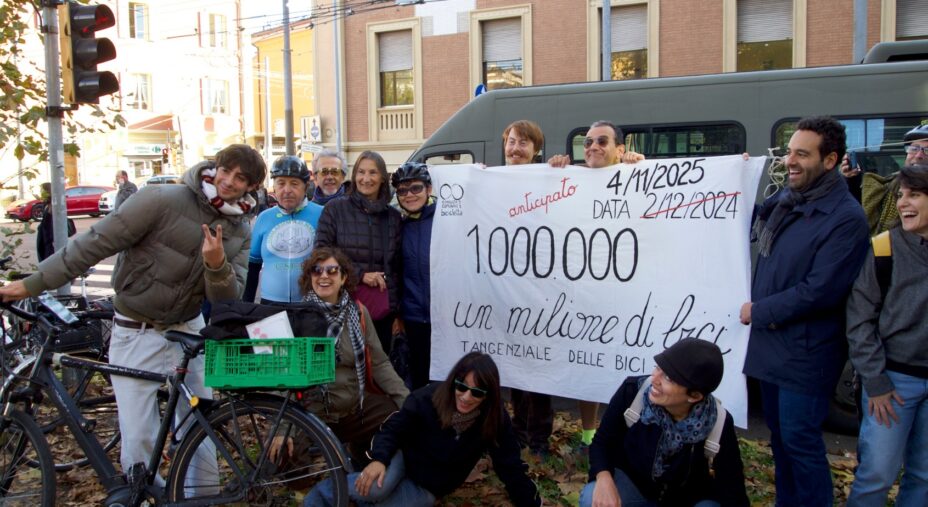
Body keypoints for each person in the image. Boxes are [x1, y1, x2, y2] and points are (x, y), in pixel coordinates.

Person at [0, 143, 266, 487]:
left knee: (200, 430)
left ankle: (202, 498)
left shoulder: (241, 230)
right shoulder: (161, 199)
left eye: (240, 178)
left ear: (251, 187)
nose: (229, 181)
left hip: (188, 330)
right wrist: (33, 284)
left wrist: (216, 266)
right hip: (136, 329)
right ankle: (144, 495)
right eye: (225, 170)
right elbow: (96, 241)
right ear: (214, 168)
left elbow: (226, 299)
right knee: (139, 435)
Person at [740, 116, 869, 506]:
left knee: (800, 442)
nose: (790, 162)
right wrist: (738, 179)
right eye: (788, 152)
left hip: (806, 352)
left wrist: (758, 311)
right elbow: (752, 216)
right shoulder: (788, 199)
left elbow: (820, 291)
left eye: (801, 154)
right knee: (782, 441)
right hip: (773, 347)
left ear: (830, 161)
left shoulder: (846, 218)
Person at [305, 351, 540, 507]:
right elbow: (394, 427)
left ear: (489, 395)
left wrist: (530, 503)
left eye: (477, 392)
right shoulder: (429, 397)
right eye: (462, 386)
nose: (467, 397)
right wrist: (380, 459)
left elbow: (510, 466)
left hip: (429, 484)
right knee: (378, 489)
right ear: (453, 382)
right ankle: (321, 496)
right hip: (404, 458)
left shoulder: (494, 419)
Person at [845, 164, 928, 506]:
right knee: (876, 475)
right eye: (901, 195)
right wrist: (875, 381)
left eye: (915, 195)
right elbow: (859, 319)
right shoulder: (884, 248)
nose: (904, 202)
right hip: (892, 384)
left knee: (924, 477)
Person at [581, 339, 749, 507]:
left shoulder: (717, 421)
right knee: (592, 497)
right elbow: (602, 442)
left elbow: (731, 484)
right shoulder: (634, 392)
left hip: (686, 499)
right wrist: (603, 477)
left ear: (694, 396)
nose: (655, 378)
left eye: (668, 377)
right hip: (633, 487)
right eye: (658, 368)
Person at [284, 246, 408, 463]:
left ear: (343, 278)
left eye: (332, 271)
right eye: (317, 270)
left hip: (353, 408)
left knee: (395, 416)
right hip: (311, 413)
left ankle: (360, 454)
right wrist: (281, 429)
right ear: (309, 277)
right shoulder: (296, 317)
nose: (324, 276)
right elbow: (282, 376)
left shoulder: (358, 312)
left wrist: (406, 401)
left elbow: (379, 364)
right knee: (285, 455)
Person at [315, 150, 402, 355]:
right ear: (354, 176)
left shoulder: (393, 217)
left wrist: (398, 312)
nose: (366, 178)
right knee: (345, 365)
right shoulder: (335, 209)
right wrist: (361, 274)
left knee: (379, 366)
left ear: (382, 177)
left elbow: (397, 266)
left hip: (382, 310)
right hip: (343, 304)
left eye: (372, 172)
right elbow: (321, 252)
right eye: (361, 172)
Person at [243, 156, 323, 304]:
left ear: (306, 186)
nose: (287, 190)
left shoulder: (322, 214)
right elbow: (253, 267)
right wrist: (246, 307)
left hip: (312, 303)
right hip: (270, 303)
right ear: (274, 187)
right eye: (281, 183)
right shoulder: (264, 217)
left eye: (294, 184)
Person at [390, 162, 434, 390]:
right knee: (419, 380)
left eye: (416, 188)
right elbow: (395, 273)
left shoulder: (447, 220)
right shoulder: (399, 226)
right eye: (402, 191)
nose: (409, 195)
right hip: (413, 318)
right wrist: (399, 314)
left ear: (429, 189)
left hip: (447, 318)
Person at [841, 124, 928, 235]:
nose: (918, 155)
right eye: (914, 149)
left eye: (927, 150)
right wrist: (853, 180)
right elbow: (859, 213)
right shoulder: (887, 186)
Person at [547, 120, 645, 168]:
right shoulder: (571, 179)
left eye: (602, 141)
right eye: (588, 142)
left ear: (620, 151)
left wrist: (642, 166)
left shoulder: (633, 176)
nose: (593, 147)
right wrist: (556, 170)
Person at [35, 182, 76, 262]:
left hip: (50, 245)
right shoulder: (48, 206)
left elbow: (48, 228)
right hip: (47, 243)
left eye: (41, 191)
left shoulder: (52, 206)